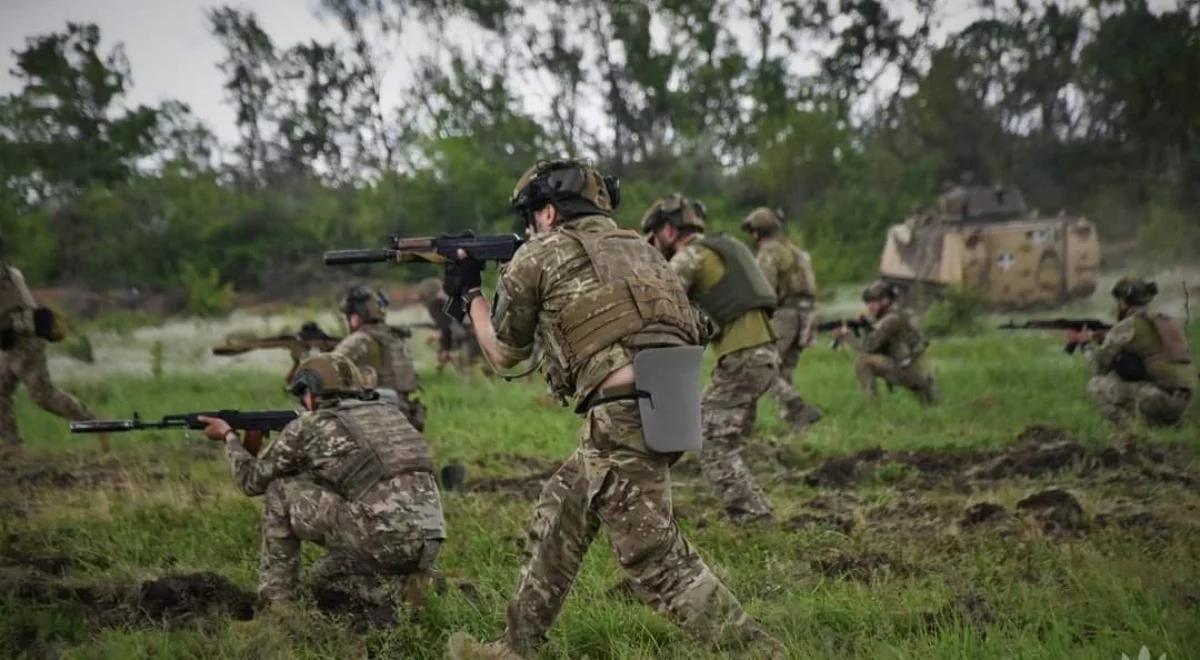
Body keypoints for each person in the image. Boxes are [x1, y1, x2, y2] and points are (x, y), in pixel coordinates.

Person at [445, 160, 780, 659]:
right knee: (561, 512)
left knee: (656, 562)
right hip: (671, 402)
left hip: (622, 413)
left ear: (549, 212)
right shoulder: (641, 250)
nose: (528, 229)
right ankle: (516, 647)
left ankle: (760, 653)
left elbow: (505, 353)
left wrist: (469, 292)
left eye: (530, 217)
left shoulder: (539, 254)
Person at [197, 352, 445, 608]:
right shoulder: (391, 414)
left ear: (312, 392)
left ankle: (278, 605)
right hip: (429, 540)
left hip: (379, 538)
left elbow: (250, 480)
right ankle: (405, 589)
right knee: (325, 576)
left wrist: (229, 437)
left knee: (279, 490)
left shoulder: (310, 425)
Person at [642, 194, 778, 524]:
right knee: (725, 440)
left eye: (655, 235)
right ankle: (758, 514)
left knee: (711, 441)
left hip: (743, 358)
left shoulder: (690, 257)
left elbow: (656, 302)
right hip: (764, 354)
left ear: (670, 231)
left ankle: (755, 520)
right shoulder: (725, 247)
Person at [0, 258, 101, 447]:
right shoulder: (9, 271)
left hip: (24, 341)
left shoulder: (5, 274)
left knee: (43, 396)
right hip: (11, 341)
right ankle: (11, 446)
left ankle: (94, 423)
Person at [1071, 278, 1193, 427]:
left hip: (1158, 398)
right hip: (1184, 399)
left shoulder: (1127, 325)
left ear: (1124, 301)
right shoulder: (1166, 321)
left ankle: (1133, 428)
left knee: (1095, 385)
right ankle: (1167, 423)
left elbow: (1097, 368)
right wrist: (1105, 339)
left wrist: (1085, 344)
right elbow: (1151, 351)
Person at [742, 206, 823, 430]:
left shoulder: (768, 253)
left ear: (756, 231)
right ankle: (797, 427)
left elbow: (764, 289)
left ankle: (795, 406)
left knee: (762, 366)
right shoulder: (796, 251)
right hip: (807, 315)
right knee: (785, 370)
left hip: (785, 314)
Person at [332, 285, 426, 431]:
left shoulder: (360, 339)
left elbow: (326, 368)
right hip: (404, 411)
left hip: (377, 413)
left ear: (356, 318)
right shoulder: (393, 336)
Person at [835, 280, 938, 405]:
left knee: (863, 361)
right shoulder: (898, 313)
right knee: (931, 406)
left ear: (885, 301)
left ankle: (871, 408)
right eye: (868, 303)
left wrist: (848, 335)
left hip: (910, 370)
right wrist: (866, 325)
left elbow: (869, 347)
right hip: (918, 372)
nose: (869, 307)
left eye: (873, 302)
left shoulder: (891, 319)